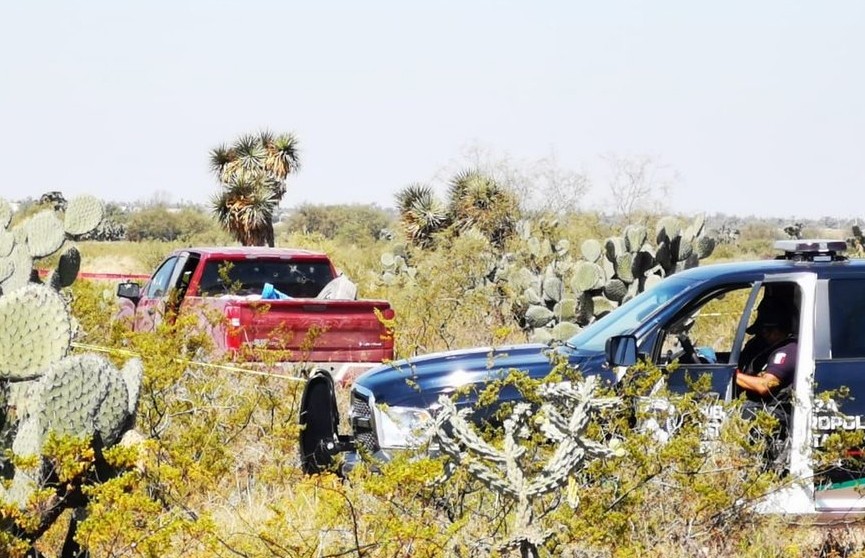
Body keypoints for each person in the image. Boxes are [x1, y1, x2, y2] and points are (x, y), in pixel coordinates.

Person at [735, 297, 798, 469]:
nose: (763, 336)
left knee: (741, 415)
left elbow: (765, 385)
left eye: (767, 331)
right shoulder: (762, 348)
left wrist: (732, 376)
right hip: (762, 408)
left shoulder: (788, 350)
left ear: (779, 329)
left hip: (776, 412)